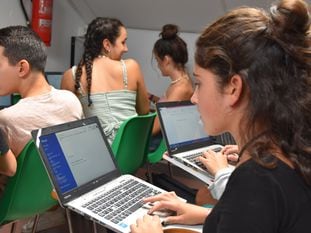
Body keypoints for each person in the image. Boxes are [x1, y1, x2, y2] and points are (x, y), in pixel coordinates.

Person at [131, 0, 311, 232]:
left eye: (199, 83)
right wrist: (208, 215)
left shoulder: (256, 181)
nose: (194, 98)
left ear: (233, 88)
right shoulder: (290, 152)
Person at [0, 25, 83, 232]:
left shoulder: (6, 119)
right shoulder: (71, 101)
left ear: (21, 68)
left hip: (10, 207)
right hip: (52, 197)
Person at [61, 17, 149, 145]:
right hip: (132, 151)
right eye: (123, 42)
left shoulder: (71, 76)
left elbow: (68, 126)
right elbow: (144, 111)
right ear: (107, 44)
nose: (126, 49)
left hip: (100, 157)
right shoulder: (131, 67)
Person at [148, 24, 193, 150]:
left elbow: (154, 129)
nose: (157, 65)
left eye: (157, 60)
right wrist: (150, 96)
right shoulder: (182, 81)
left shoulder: (180, 89)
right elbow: (169, 103)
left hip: (163, 142)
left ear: (166, 60)